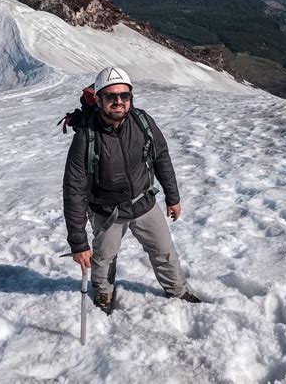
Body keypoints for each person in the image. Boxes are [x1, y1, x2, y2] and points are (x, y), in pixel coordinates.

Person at [63, 66, 201, 312]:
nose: (118, 101)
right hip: (107, 211)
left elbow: (162, 158)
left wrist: (173, 197)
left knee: (164, 252)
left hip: (143, 203)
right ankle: (104, 293)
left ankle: (178, 291)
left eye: (124, 96)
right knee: (104, 258)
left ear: (131, 98)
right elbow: (74, 189)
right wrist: (78, 243)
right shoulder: (87, 136)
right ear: (98, 99)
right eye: (111, 96)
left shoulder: (142, 122)